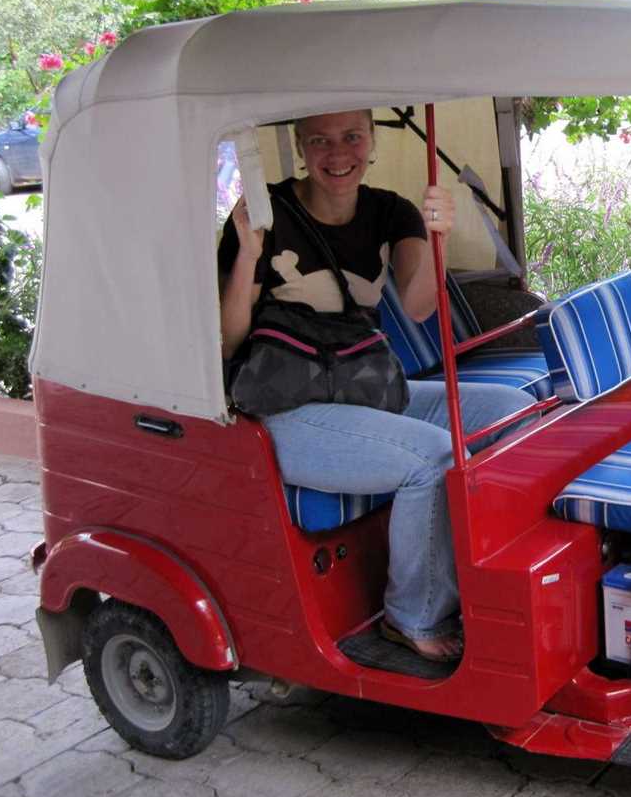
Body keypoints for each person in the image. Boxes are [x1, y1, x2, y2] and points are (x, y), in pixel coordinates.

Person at [218, 109, 534, 662]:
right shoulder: (266, 213)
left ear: (371, 141)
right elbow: (228, 339)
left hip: (363, 388)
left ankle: (490, 572)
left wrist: (437, 239)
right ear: (299, 146)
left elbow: (417, 307)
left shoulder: (390, 211)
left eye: (351, 137)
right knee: (433, 457)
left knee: (514, 411)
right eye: (320, 140)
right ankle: (412, 615)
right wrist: (247, 252)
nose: (338, 154)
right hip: (287, 410)